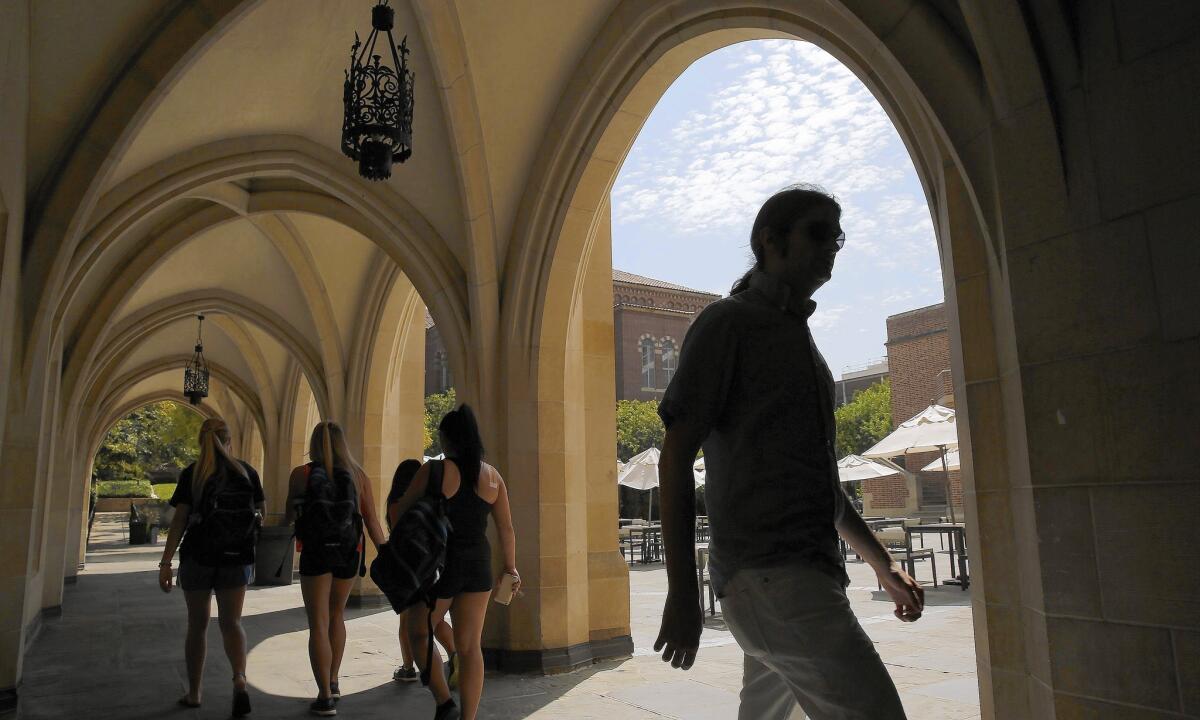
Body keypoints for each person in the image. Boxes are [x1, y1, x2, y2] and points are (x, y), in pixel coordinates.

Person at [653, 185, 925, 720]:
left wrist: (883, 564)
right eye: (819, 233)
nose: (833, 246)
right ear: (770, 241)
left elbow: (821, 488)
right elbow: (675, 457)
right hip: (775, 579)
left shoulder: (799, 338)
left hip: (789, 578)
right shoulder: (728, 324)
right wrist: (682, 592)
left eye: (838, 235)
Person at [390, 405, 519, 720]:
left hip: (440, 564)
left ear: (447, 439)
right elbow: (506, 529)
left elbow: (398, 512)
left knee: (419, 632)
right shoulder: (493, 477)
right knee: (471, 646)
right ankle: (468, 717)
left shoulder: (435, 470)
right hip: (479, 564)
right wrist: (511, 568)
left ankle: (444, 702)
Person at [159, 417, 264, 717]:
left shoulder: (194, 473)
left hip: (198, 558)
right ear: (230, 440)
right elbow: (261, 512)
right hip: (236, 557)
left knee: (197, 625)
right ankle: (240, 678)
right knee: (232, 623)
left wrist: (166, 562)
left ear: (200, 441)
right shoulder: (246, 472)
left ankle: (194, 692)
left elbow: (179, 520)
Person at [285, 422, 387, 717]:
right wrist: (385, 551)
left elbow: (290, 513)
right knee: (336, 616)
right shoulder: (358, 476)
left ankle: (324, 695)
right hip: (348, 552)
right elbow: (371, 520)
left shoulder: (301, 475)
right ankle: (334, 679)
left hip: (315, 552)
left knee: (317, 623)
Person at [385, 458, 460, 687]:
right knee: (432, 619)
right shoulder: (431, 501)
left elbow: (399, 535)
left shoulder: (397, 504)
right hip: (434, 565)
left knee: (408, 621)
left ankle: (409, 667)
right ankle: (455, 653)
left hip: (409, 569)